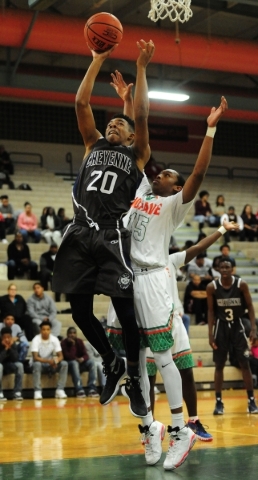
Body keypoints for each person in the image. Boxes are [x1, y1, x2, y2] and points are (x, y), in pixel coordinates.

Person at [108, 72, 227, 469]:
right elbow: (134, 146)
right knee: (131, 363)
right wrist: (127, 102)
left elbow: (197, 175)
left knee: (163, 360)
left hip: (155, 279)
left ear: (176, 189)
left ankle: (180, 430)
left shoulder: (175, 204)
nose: (159, 176)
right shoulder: (142, 190)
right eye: (159, 174)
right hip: (126, 277)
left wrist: (208, 132)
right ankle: (149, 430)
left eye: (167, 176)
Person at [52, 40, 155, 418]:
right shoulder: (93, 144)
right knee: (78, 310)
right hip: (80, 232)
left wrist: (141, 69)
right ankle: (111, 361)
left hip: (112, 235)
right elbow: (82, 104)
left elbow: (140, 115)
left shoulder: (137, 154)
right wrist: (96, 60)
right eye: (111, 121)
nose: (113, 124)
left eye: (120, 124)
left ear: (130, 137)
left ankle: (133, 379)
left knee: (126, 316)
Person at [146, 220, 239, 441]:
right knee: (148, 379)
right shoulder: (138, 265)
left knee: (187, 372)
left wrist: (223, 229)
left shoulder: (171, 260)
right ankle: (149, 427)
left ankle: (193, 421)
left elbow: (198, 248)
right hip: (150, 323)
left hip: (175, 322)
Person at [207, 258, 258, 414]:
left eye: (227, 267)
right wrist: (210, 334)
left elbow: (249, 306)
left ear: (232, 269)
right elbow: (211, 311)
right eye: (221, 267)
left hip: (238, 326)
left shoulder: (241, 284)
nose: (224, 269)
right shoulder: (212, 287)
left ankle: (251, 401)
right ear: (218, 269)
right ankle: (218, 402)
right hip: (221, 327)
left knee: (245, 364)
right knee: (219, 365)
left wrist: (254, 328)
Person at [31, 320, 68, 400]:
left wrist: (55, 361)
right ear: (40, 330)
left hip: (51, 364)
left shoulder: (54, 339)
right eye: (43, 329)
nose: (45, 331)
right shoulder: (35, 340)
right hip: (40, 364)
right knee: (36, 364)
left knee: (64, 364)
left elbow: (61, 356)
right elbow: (35, 357)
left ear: (50, 330)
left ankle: (60, 389)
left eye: (48, 329)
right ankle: (37, 391)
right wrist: (49, 361)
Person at [61, 327, 99, 398]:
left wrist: (82, 359)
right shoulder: (64, 343)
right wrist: (72, 345)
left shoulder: (80, 341)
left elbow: (86, 355)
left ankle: (92, 389)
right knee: (74, 363)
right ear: (67, 334)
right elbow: (69, 357)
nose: (72, 335)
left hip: (80, 364)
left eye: (74, 333)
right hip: (70, 366)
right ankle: (79, 389)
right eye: (70, 333)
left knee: (92, 362)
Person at [0, 326, 24, 401]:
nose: (7, 339)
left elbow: (15, 358)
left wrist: (10, 348)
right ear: (1, 337)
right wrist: (5, 349)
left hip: (9, 365)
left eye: (8, 337)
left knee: (19, 365)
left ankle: (17, 392)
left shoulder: (12, 344)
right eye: (4, 337)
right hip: (1, 365)